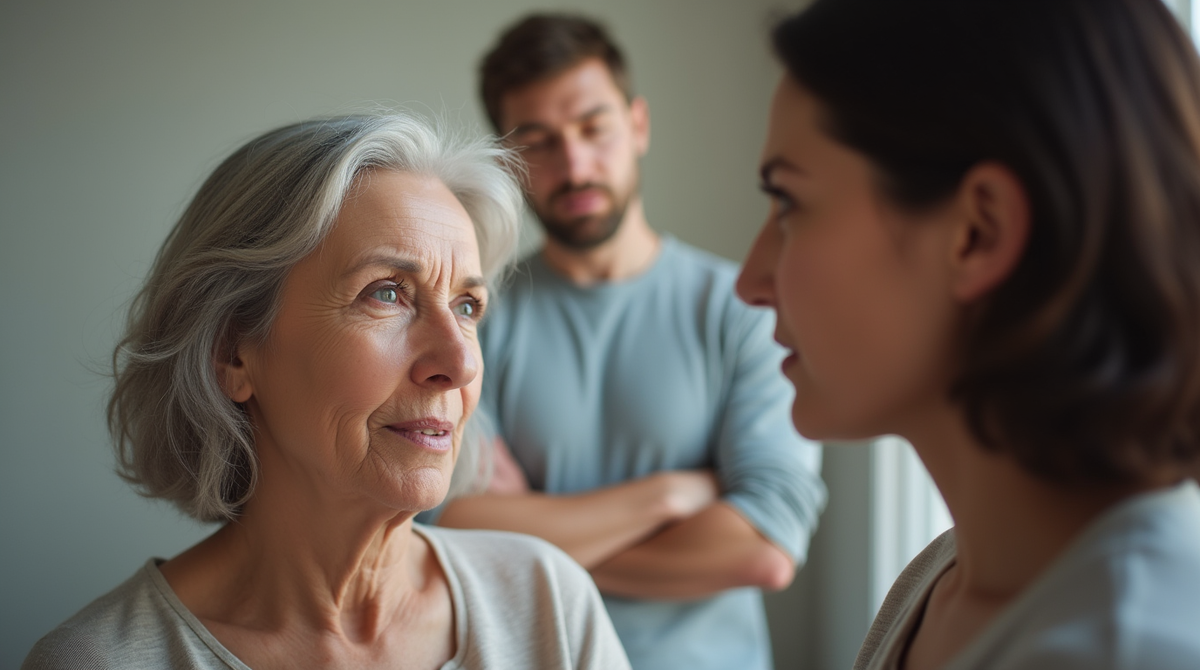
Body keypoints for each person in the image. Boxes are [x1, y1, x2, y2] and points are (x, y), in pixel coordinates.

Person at [22, 113, 631, 670]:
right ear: (233, 352)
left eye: (467, 305)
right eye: (387, 293)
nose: (459, 362)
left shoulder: (547, 603)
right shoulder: (99, 660)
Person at [737, 0, 1200, 668]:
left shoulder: (1132, 646)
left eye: (788, 202)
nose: (749, 279)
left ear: (978, 233)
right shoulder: (940, 581)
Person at [428, 13, 827, 670]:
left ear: (637, 124)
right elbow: (453, 527)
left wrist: (530, 527)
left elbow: (763, 548)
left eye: (594, 128)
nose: (575, 164)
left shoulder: (745, 310)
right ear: (510, 162)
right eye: (539, 142)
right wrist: (669, 496)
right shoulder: (472, 321)